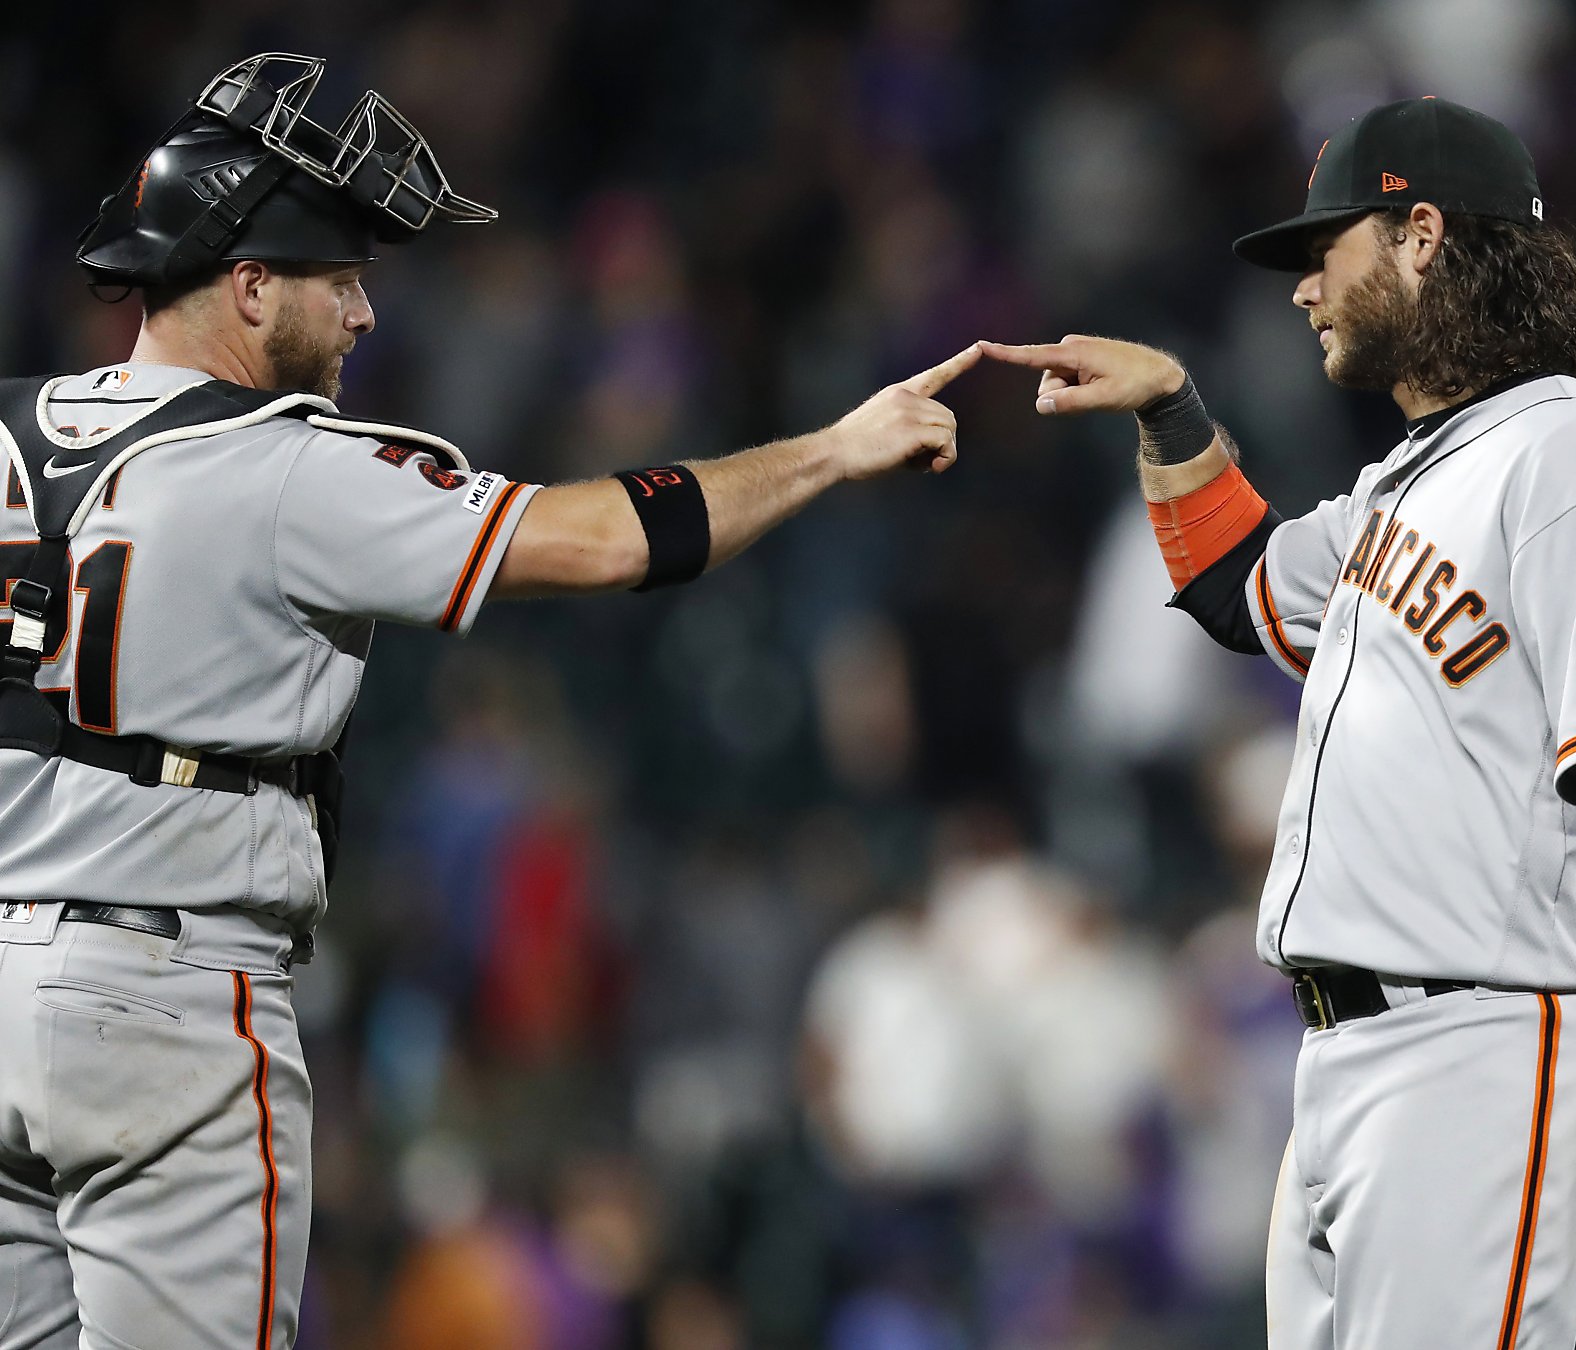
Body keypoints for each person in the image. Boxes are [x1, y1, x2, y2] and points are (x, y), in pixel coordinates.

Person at [0, 54, 976, 1350]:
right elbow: (613, 538)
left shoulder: (9, 437)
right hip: (167, 998)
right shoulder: (286, 464)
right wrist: (832, 449)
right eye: (338, 279)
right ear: (245, 285)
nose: (360, 317)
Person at [981, 96, 1576, 1347]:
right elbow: (1239, 583)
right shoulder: (1405, 481)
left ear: (1420, 235)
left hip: (1481, 1046)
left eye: (1326, 249)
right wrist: (1168, 409)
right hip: (1339, 1062)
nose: (1302, 287)